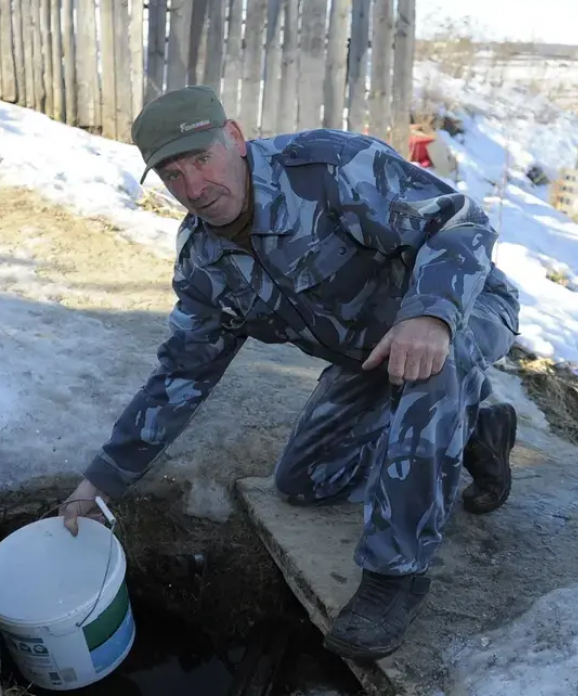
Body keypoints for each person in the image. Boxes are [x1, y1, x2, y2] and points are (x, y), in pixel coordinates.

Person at [58, 85, 521, 662]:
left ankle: (395, 573)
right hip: (373, 358)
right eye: (173, 176)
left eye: (202, 160)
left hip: (462, 308)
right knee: (305, 482)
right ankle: (475, 430)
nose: (195, 189)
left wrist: (430, 314)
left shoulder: (329, 168)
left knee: (434, 369)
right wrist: (100, 482)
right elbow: (180, 376)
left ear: (233, 137)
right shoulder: (205, 262)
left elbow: (459, 223)